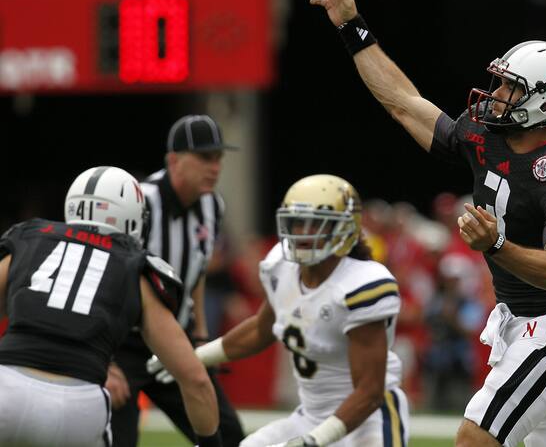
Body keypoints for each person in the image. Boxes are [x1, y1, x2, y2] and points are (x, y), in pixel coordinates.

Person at [309, 0, 546, 447]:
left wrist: (496, 243)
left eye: (511, 88)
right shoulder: (482, 136)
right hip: (520, 320)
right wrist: (353, 27)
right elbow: (404, 104)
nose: (496, 96)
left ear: (544, 101)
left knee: (474, 438)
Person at [148, 174, 409, 447]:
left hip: (368, 421)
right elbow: (262, 329)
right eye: (298, 222)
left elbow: (370, 392)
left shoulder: (361, 285)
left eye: (316, 224)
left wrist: (316, 439)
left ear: (344, 229)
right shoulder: (281, 266)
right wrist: (193, 358)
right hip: (309, 416)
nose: (304, 233)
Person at [0, 166, 220, 447]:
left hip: (6, 388)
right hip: (77, 403)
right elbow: (196, 380)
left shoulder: (30, 237)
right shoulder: (135, 267)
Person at [109, 115, 245, 446]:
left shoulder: (213, 205)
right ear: (174, 160)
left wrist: (198, 334)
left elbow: (196, 270)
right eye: (204, 157)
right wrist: (105, 359)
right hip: (124, 342)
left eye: (218, 158)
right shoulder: (140, 201)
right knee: (117, 440)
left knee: (229, 436)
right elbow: (108, 275)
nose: (215, 167)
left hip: (175, 339)